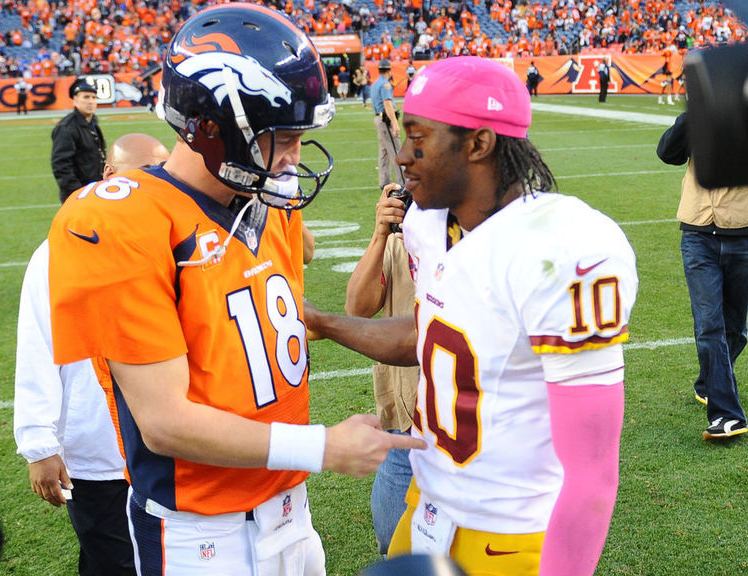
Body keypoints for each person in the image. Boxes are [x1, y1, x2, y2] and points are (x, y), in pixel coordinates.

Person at [46, 5, 425, 576]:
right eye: (284, 137)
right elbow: (165, 421)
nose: (296, 156)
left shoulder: (266, 201)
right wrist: (321, 447)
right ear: (210, 128)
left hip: (291, 511)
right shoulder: (122, 221)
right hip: (201, 530)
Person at [305, 57, 638, 576]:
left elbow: (592, 472)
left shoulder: (563, 249)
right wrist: (324, 322)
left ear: (479, 143)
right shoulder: (427, 223)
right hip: (425, 503)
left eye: (418, 138)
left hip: (510, 535)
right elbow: (432, 332)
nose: (403, 157)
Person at [14, 133, 170, 576]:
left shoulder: (174, 237)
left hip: (170, 441)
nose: (145, 189)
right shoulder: (60, 249)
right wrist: (39, 444)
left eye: (158, 177)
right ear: (109, 175)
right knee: (112, 562)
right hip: (97, 447)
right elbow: (37, 343)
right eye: (137, 176)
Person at [657, 111, 748, 440]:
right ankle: (727, 414)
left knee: (736, 329)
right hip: (698, 235)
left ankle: (708, 382)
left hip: (743, 234)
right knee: (709, 326)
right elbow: (668, 153)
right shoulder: (701, 115)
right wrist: (694, 113)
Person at [345, 184, 419, 555]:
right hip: (404, 428)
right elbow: (358, 308)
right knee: (395, 548)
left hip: (473, 429)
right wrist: (380, 234)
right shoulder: (402, 238)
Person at [51, 77, 106, 203]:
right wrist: (78, 192)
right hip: (79, 195)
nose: (91, 101)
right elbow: (61, 166)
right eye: (86, 97)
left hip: (95, 191)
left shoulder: (92, 123)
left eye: (93, 97)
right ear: (75, 100)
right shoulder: (66, 127)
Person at [371, 58, 405, 190]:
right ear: (389, 70)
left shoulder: (375, 84)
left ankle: (384, 181)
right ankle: (402, 182)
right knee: (396, 151)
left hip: (379, 119)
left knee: (384, 152)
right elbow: (387, 103)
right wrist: (395, 123)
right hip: (386, 120)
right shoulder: (385, 84)